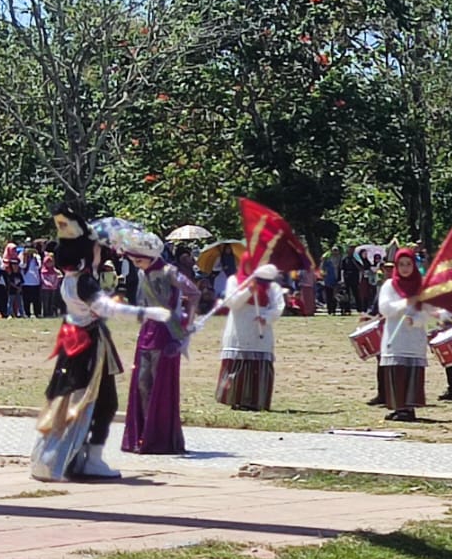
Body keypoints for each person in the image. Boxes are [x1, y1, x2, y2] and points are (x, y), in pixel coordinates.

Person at [30, 206, 171, 481]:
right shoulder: (84, 283)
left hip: (79, 345)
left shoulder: (71, 281)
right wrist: (149, 313)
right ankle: (86, 459)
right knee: (101, 402)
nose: (100, 252)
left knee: (83, 402)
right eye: (95, 249)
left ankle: (76, 458)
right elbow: (108, 309)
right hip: (87, 349)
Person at [120, 234, 199, 456]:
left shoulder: (169, 272)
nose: (136, 263)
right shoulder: (142, 273)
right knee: (142, 383)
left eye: (139, 258)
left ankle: (159, 437)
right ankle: (143, 433)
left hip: (167, 332)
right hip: (147, 331)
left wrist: (187, 325)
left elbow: (194, 292)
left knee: (158, 385)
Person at [216, 263, 283, 411]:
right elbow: (232, 303)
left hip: (260, 331)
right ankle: (235, 398)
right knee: (238, 365)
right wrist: (248, 291)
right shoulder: (234, 281)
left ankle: (257, 401)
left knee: (258, 366)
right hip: (239, 328)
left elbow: (278, 306)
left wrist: (266, 317)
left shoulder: (273, 287)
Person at [377, 248, 429, 421]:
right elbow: (384, 308)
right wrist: (403, 305)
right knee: (396, 372)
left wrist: (416, 320)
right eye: (401, 264)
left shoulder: (421, 287)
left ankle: (409, 408)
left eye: (409, 264)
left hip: (414, 338)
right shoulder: (389, 286)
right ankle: (398, 407)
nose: (405, 268)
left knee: (412, 372)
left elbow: (428, 311)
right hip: (395, 336)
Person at [22, 243, 42, 318]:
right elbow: (22, 266)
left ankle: (37, 313)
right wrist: (25, 258)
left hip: (35, 281)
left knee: (36, 299)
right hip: (25, 281)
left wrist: (34, 257)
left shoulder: (37, 257)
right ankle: (27, 313)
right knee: (26, 299)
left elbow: (38, 266)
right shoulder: (22, 255)